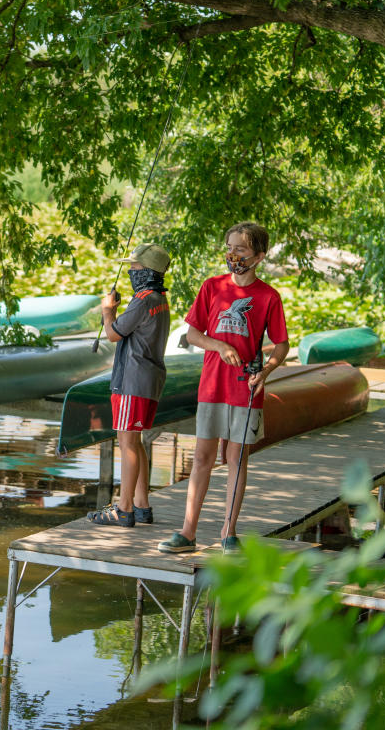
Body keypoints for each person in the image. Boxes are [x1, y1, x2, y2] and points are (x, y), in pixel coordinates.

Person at [158, 221, 289, 554]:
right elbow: (192, 335)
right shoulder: (212, 287)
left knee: (236, 458)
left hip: (246, 389)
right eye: (229, 247)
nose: (232, 255)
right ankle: (188, 533)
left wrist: (268, 371)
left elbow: (281, 345)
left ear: (258, 256)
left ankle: (229, 532)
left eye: (241, 249)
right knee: (202, 457)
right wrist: (218, 346)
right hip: (212, 386)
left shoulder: (268, 296)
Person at [86, 243, 172, 528]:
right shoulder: (159, 299)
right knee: (135, 442)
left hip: (132, 382)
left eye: (135, 268)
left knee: (127, 443)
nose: (131, 272)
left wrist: (107, 310)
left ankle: (123, 509)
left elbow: (113, 334)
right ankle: (142, 505)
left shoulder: (144, 300)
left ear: (148, 271)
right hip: (148, 380)